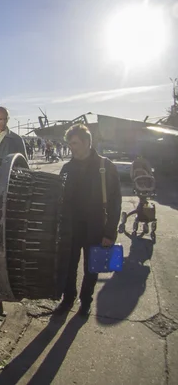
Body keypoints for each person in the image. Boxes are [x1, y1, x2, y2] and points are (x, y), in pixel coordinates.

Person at [54, 124, 122, 317]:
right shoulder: (67, 168)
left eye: (74, 143)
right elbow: (60, 199)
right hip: (71, 228)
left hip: (96, 228)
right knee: (68, 266)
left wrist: (110, 233)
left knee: (92, 268)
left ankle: (86, 302)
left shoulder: (105, 166)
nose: (71, 147)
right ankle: (67, 299)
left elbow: (116, 202)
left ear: (86, 142)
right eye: (69, 143)